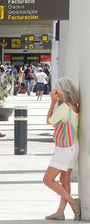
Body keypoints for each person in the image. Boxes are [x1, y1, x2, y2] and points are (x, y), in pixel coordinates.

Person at [43, 78, 80, 221]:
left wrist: (52, 102)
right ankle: (60, 212)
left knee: (47, 179)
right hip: (73, 146)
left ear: (62, 91)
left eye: (56, 90)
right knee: (64, 179)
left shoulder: (64, 107)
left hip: (64, 148)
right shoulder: (74, 106)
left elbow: (49, 121)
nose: (54, 92)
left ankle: (73, 202)